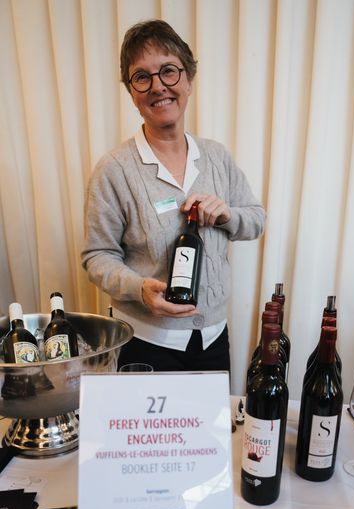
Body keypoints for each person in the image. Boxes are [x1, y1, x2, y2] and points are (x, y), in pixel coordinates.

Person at [82, 20, 266, 372]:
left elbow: (256, 219)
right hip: (146, 342)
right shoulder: (114, 169)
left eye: (168, 71)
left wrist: (228, 215)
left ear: (188, 80)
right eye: (142, 77)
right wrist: (139, 289)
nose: (158, 86)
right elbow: (97, 255)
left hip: (213, 338)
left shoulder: (216, 156)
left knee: (216, 413)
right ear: (131, 92)